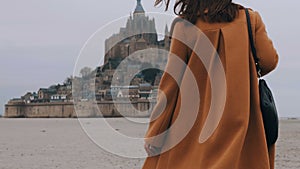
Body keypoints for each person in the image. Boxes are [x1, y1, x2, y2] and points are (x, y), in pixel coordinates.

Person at [142, 0, 279, 169]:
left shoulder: (185, 25)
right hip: (240, 117)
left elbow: (171, 85)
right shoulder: (250, 19)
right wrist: (241, 73)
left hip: (191, 124)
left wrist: (155, 133)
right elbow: (269, 61)